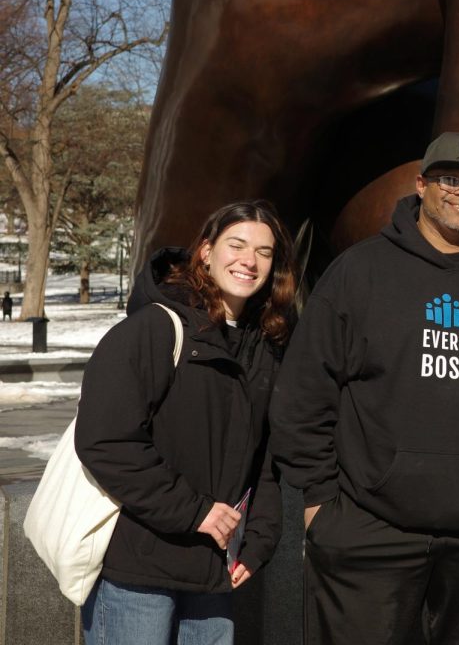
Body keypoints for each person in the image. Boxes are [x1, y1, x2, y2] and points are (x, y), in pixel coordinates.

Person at [270, 132, 459, 645]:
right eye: (451, 179)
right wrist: (319, 502)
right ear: (421, 184)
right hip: (370, 530)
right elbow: (305, 392)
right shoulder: (359, 274)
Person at [74, 200, 297, 644]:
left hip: (216, 572)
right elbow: (105, 441)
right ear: (205, 252)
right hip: (139, 569)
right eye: (236, 245)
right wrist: (194, 512)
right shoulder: (155, 328)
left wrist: (259, 539)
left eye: (264, 252)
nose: (248, 261)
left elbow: (268, 457)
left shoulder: (265, 345)